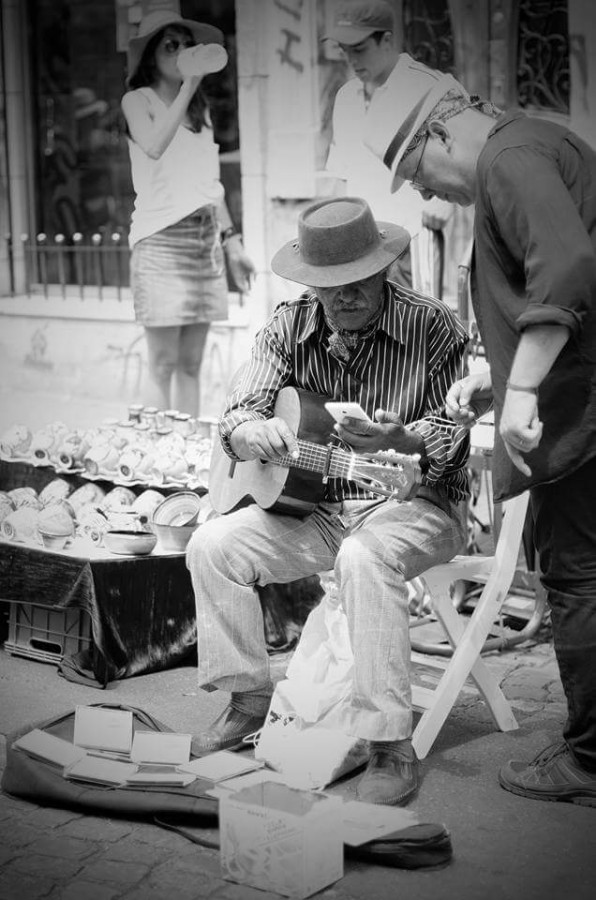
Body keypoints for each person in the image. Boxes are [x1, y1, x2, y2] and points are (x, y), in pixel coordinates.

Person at [186, 196, 471, 806]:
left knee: (365, 557)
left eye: (357, 281)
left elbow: (453, 443)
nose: (343, 296)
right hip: (315, 512)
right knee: (211, 545)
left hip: (418, 504)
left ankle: (390, 744)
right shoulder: (288, 326)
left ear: (384, 267)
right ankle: (249, 700)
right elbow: (239, 411)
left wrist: (407, 439)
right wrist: (245, 432)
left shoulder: (436, 326)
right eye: (327, 285)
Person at [365, 62, 596, 806]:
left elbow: (565, 268)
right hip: (573, 396)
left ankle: (591, 759)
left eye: (417, 172)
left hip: (579, 413)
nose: (427, 194)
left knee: (579, 576)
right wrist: (503, 377)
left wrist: (523, 385)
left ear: (439, 129)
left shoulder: (508, 156)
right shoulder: (530, 147)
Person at [121, 10, 254, 417]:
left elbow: (210, 183)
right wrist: (190, 84)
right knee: (162, 363)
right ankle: (156, 456)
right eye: (171, 45)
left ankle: (186, 453)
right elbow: (155, 145)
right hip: (160, 240)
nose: (181, 52)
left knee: (192, 364)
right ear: (150, 56)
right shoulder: (136, 101)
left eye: (186, 44)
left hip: (203, 239)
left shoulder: (200, 112)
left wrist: (232, 242)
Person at [322, 0, 453, 295]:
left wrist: (445, 203)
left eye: (359, 49)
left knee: (415, 328)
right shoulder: (346, 96)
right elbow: (344, 178)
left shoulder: (429, 87)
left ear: (387, 41)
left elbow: (469, 157)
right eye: (345, 50)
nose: (352, 60)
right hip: (362, 245)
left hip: (412, 237)